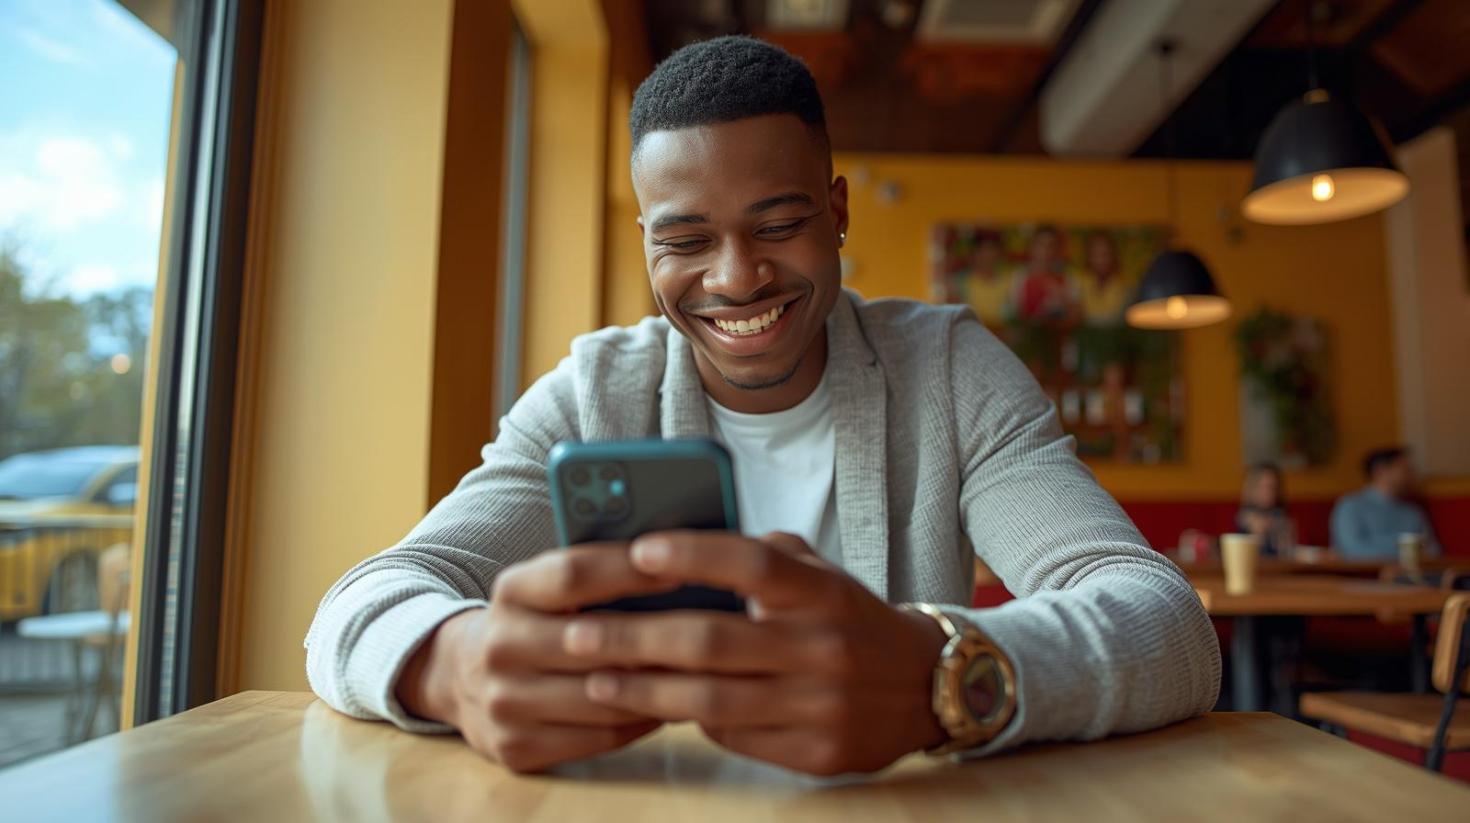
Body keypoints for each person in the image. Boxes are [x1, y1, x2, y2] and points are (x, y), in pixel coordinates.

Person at [305, 36, 1219, 776]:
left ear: (837, 211)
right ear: (647, 243)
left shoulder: (948, 369)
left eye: (778, 225)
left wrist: (944, 676)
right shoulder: (594, 394)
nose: (737, 277)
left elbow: (1165, 622)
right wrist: (453, 664)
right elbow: (363, 602)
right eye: (688, 239)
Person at [1331, 447, 1440, 560]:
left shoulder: (1412, 511)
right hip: (1366, 575)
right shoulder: (1350, 506)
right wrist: (1406, 549)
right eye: (1406, 469)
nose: (1413, 475)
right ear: (1380, 471)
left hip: (1417, 575)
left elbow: (1433, 551)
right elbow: (1352, 550)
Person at [1011, 225, 1079, 324]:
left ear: (1057, 250)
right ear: (1032, 247)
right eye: (1041, 244)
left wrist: (1064, 298)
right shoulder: (1019, 278)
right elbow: (1014, 317)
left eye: (1051, 245)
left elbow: (1076, 319)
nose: (1045, 251)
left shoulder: (1068, 280)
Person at [1236, 462, 1295, 557]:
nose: (1268, 492)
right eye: (1263, 487)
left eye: (1272, 487)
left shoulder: (1280, 514)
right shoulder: (1245, 515)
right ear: (1252, 488)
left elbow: (1287, 549)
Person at [1076, 231, 1130, 325]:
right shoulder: (1078, 284)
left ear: (1114, 255)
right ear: (1088, 256)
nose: (1101, 260)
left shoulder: (1125, 286)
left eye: (1105, 254)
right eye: (1095, 254)